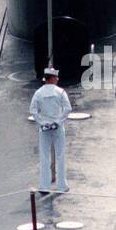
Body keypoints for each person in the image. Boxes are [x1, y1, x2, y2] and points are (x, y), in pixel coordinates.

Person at [29, 65, 72, 193]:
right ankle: (61, 186)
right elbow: (68, 109)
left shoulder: (38, 93)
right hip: (58, 128)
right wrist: (58, 121)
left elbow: (33, 110)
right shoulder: (60, 92)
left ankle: (44, 186)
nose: (57, 79)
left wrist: (41, 122)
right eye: (56, 77)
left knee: (44, 156)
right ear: (52, 78)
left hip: (44, 129)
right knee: (60, 156)